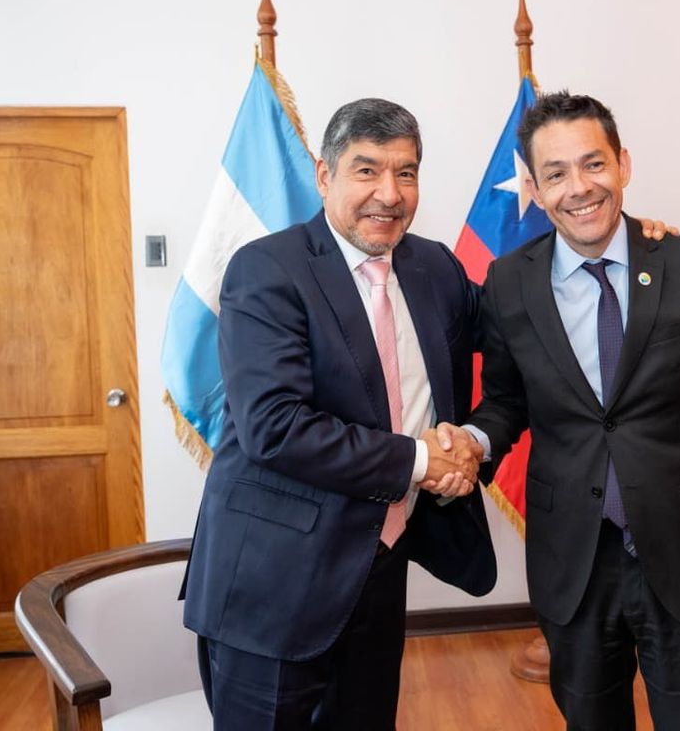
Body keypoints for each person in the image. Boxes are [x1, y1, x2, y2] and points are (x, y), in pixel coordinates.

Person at [455, 92, 680, 730]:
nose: (579, 187)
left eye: (594, 164)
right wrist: (473, 441)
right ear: (534, 189)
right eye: (555, 174)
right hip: (573, 562)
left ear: (623, 164)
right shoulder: (508, 283)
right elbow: (505, 402)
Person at [180, 98, 494, 730]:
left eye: (406, 173)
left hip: (379, 575)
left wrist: (623, 241)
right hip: (272, 586)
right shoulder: (267, 270)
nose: (389, 193)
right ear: (324, 176)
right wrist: (422, 461)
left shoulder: (434, 266)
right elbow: (275, 428)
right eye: (366, 170)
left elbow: (525, 333)